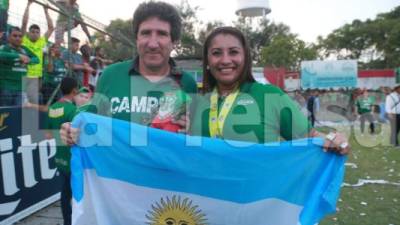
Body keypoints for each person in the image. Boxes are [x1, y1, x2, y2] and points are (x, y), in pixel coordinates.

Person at [190, 26, 349, 154]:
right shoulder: (198, 103)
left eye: (233, 52)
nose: (225, 60)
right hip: (208, 193)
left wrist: (333, 138)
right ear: (207, 62)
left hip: (258, 194)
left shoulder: (271, 96)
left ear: (245, 58)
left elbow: (310, 136)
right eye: (217, 53)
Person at [60, 1, 197, 145]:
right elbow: (92, 125)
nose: (152, 43)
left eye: (162, 34)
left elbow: (194, 142)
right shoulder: (110, 76)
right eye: (145, 33)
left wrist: (189, 134)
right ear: (137, 38)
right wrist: (72, 130)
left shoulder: (187, 84)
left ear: (173, 41)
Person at [46, 77, 78, 225]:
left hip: (60, 157)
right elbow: (77, 137)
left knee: (65, 194)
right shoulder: (73, 110)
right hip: (73, 159)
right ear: (74, 90)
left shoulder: (52, 107)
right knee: (77, 195)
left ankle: (67, 222)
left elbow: (48, 135)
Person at [21, 0, 54, 104]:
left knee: (33, 103)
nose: (35, 34)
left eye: (37, 32)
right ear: (28, 33)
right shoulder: (24, 40)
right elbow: (24, 23)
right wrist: (28, 5)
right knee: (23, 102)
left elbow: (51, 28)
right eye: (33, 32)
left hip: (37, 77)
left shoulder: (41, 42)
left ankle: (31, 119)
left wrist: (46, 10)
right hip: (25, 75)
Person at [0, 26, 39, 106]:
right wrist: (18, 56)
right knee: (6, 114)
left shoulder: (24, 49)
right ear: (9, 37)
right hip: (6, 87)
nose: (18, 38)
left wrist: (29, 60)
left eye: (20, 36)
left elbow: (37, 59)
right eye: (15, 36)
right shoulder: (5, 48)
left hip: (22, 88)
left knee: (19, 114)